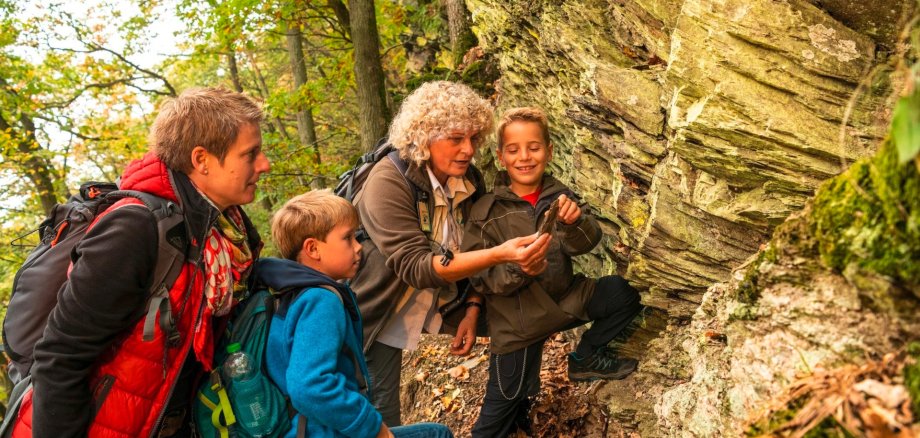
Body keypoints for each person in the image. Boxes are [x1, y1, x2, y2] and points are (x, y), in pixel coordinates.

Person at [14, 88, 270, 437]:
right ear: (202, 160)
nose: (264, 164)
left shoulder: (226, 231)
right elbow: (60, 357)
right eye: (250, 154)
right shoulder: (136, 229)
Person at [349, 81, 553, 426]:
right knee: (383, 417)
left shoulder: (469, 179)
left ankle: (508, 412)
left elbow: (477, 245)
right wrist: (500, 254)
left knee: (526, 310)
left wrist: (474, 309)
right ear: (423, 136)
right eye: (456, 138)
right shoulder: (388, 180)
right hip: (378, 308)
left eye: (474, 138)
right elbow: (416, 267)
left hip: (444, 297)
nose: (468, 149)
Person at [462, 107, 644, 437]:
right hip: (519, 322)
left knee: (622, 294)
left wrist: (575, 223)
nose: (525, 157)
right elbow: (480, 277)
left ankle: (586, 356)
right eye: (513, 150)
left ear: (549, 150)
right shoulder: (485, 211)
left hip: (566, 299)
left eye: (533, 147)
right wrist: (520, 269)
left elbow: (587, 243)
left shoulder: (558, 195)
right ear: (501, 157)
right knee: (503, 404)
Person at [256, 190, 454, 438]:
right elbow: (309, 386)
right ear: (313, 249)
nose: (359, 247)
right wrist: (373, 428)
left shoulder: (289, 294)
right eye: (348, 238)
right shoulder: (320, 300)